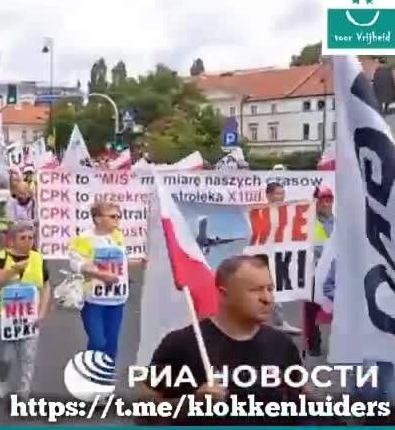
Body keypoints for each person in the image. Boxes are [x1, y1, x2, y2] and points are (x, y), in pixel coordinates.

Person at [137, 255, 306, 425]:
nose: (267, 299)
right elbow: (143, 410)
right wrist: (191, 405)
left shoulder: (282, 344)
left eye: (270, 289)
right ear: (224, 294)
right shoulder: (182, 344)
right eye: (255, 290)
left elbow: (301, 400)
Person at [0, 221, 51, 399]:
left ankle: (24, 390)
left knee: (28, 355)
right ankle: (2, 379)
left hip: (29, 316)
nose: (28, 241)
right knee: (5, 356)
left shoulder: (38, 259)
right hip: (4, 316)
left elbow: (46, 287)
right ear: (12, 240)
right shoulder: (1, 257)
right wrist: (12, 270)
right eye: (23, 238)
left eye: (31, 238)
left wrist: (42, 313)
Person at [69, 201, 128, 361]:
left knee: (111, 342)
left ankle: (104, 375)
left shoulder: (118, 236)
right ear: (97, 219)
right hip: (93, 299)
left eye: (119, 216)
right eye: (113, 216)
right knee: (97, 341)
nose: (118, 220)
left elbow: (120, 261)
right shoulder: (84, 239)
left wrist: (138, 262)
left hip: (116, 299)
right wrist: (100, 275)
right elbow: (76, 264)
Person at [265, 182, 302, 335]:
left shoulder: (286, 211)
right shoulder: (261, 211)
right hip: (263, 255)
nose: (281, 196)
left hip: (278, 255)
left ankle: (278, 321)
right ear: (268, 195)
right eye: (277, 193)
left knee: (275, 288)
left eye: (282, 193)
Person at [304, 186, 333, 356]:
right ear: (315, 201)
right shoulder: (306, 222)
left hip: (333, 274)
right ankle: (313, 343)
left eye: (329, 200)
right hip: (312, 274)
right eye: (323, 200)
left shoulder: (337, 222)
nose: (326, 203)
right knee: (311, 311)